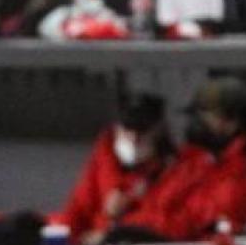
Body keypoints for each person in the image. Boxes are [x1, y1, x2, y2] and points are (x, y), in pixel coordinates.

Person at [115, 78, 246, 241]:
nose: (196, 125)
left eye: (203, 117)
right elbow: (157, 204)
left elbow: (193, 219)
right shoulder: (194, 160)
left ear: (231, 122)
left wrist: (132, 227)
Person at [51, 94, 173, 245]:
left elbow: (171, 221)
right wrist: (66, 236)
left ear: (158, 131)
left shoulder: (175, 169)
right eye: (127, 128)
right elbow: (79, 206)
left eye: (141, 131)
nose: (134, 138)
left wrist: (112, 232)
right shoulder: (104, 157)